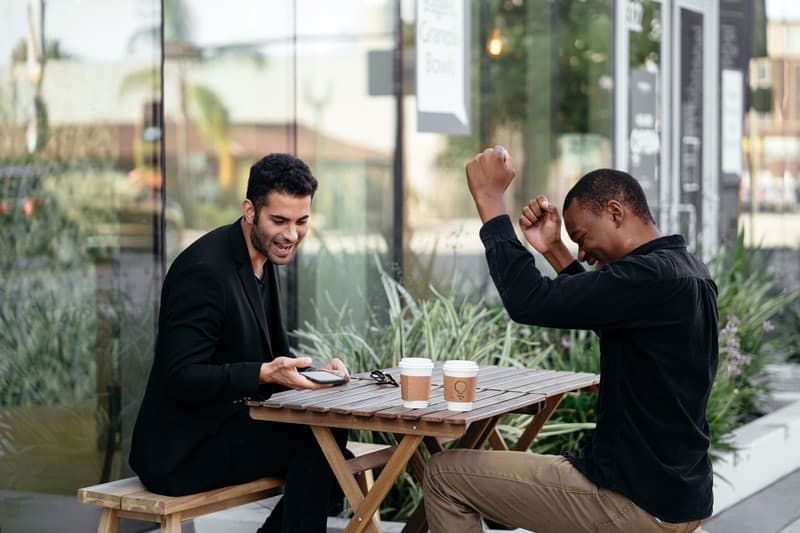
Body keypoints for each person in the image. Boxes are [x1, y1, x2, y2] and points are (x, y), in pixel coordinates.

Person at [423, 147, 717, 533]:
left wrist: (490, 202)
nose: (582, 251)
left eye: (580, 236)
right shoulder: (688, 273)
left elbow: (527, 301)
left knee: (446, 474)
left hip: (631, 502)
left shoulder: (648, 277)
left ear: (615, 212)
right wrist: (554, 250)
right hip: (676, 498)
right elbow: (611, 315)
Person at [130, 153, 351, 533]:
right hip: (183, 451)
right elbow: (181, 376)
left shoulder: (262, 257)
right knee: (323, 451)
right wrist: (264, 373)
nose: (291, 235)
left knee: (331, 442)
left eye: (302, 222)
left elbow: (261, 354)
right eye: (279, 220)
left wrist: (313, 374)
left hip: (228, 426)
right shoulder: (203, 272)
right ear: (249, 210)